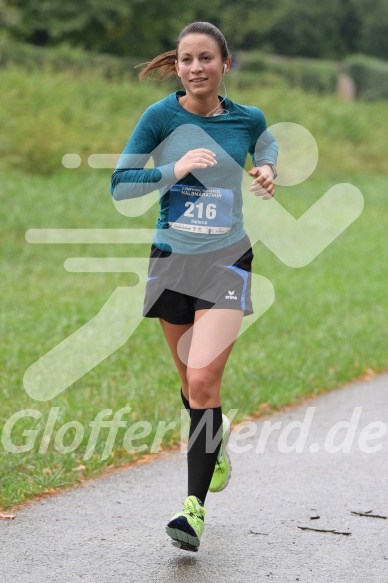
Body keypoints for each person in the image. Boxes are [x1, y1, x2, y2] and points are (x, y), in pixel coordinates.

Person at [111, 21, 278, 552]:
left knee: (204, 382)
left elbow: (265, 138)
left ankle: (193, 512)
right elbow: (120, 183)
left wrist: (268, 166)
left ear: (225, 65)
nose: (196, 67)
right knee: (190, 387)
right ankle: (215, 438)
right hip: (172, 262)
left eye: (206, 58)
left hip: (228, 260)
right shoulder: (160, 117)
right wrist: (174, 169)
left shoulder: (246, 119)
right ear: (177, 66)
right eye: (186, 59)